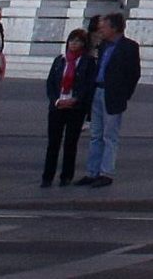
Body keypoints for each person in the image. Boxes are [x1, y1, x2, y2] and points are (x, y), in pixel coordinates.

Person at [77, 11, 139, 187]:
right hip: (98, 91)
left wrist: (124, 94)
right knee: (95, 134)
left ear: (114, 28)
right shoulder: (103, 45)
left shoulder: (129, 47)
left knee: (109, 136)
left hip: (113, 94)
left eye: (104, 27)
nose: (100, 30)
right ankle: (92, 172)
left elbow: (134, 73)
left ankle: (106, 173)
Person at [41, 29, 96, 188]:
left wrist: (76, 99)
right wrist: (56, 101)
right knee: (53, 142)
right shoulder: (60, 60)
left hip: (75, 108)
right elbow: (51, 83)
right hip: (58, 106)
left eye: (78, 41)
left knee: (71, 143)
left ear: (84, 44)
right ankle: (47, 176)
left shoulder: (87, 62)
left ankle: (66, 176)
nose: (73, 44)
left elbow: (88, 85)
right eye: (72, 40)